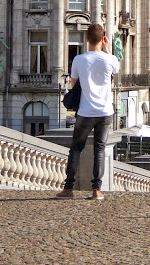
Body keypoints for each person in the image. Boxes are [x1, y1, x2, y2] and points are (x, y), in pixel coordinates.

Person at [57, 24, 119, 200]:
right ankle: (96, 189)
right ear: (102, 39)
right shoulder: (110, 59)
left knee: (76, 149)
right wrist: (107, 50)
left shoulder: (79, 60)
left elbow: (74, 85)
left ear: (86, 39)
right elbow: (115, 70)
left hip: (85, 111)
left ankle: (68, 188)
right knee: (99, 149)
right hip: (105, 112)